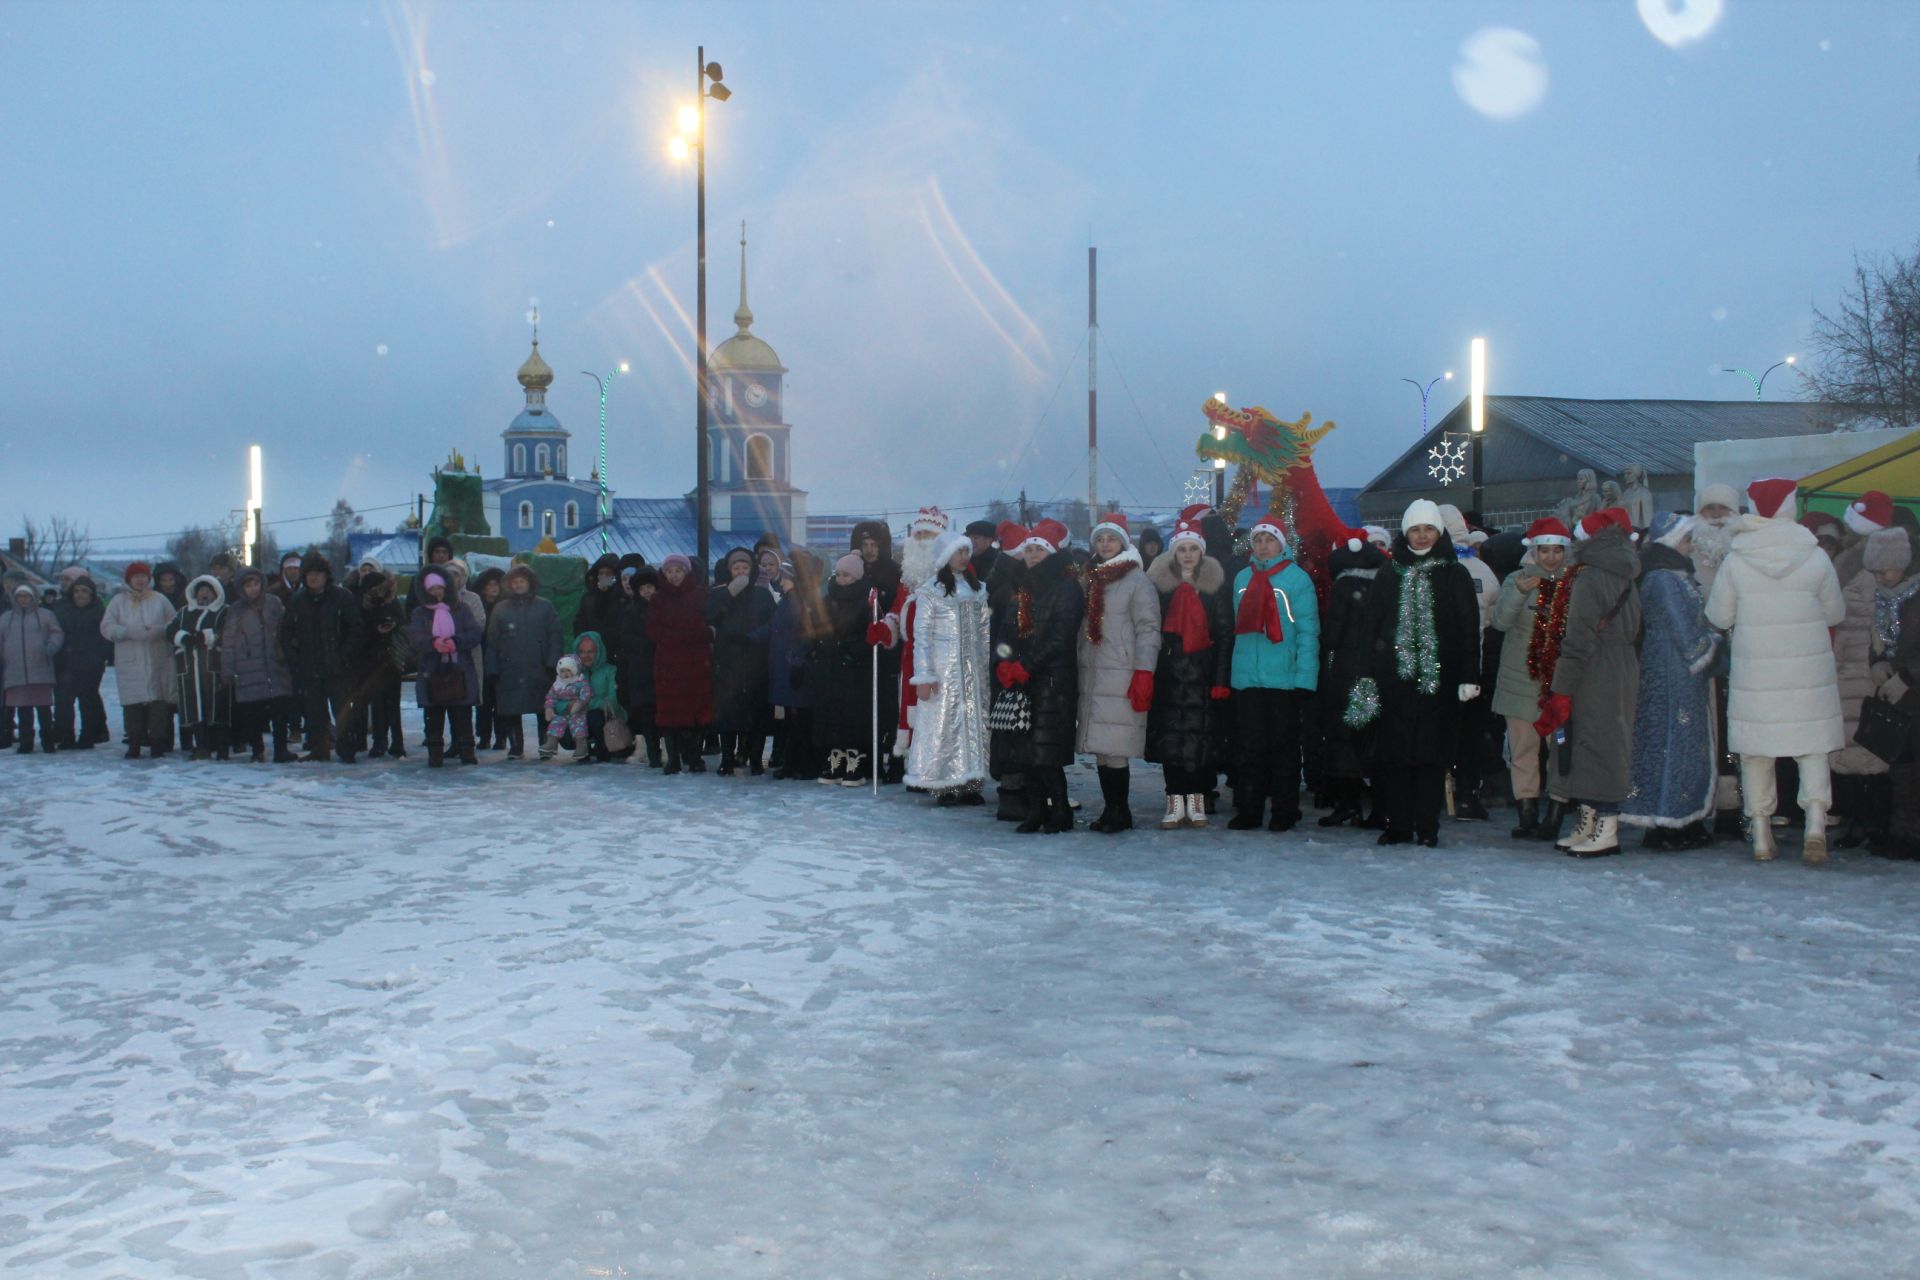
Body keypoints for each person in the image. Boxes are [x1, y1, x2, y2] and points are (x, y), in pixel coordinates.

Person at [1704, 477, 1847, 864]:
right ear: (1790, 507)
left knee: (1755, 753)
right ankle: (1815, 824)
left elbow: (1718, 615)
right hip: (1807, 674)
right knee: (1811, 749)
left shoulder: (1736, 558)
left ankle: (1762, 834)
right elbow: (1836, 612)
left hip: (1757, 674)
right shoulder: (1815, 555)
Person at [1360, 500, 1480, 847]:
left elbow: (1468, 628)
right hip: (1394, 679)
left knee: (1430, 757)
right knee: (1394, 756)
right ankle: (1397, 824)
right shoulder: (1389, 572)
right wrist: (1367, 670)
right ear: (1407, 533)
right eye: (1416, 529)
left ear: (1438, 532)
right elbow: (1372, 625)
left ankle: (1427, 826)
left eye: (1429, 529)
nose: (1423, 535)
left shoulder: (1454, 573)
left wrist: (1469, 675)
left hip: (1440, 680)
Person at [1534, 508, 1643, 856]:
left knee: (1593, 743)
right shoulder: (1626, 574)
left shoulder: (1590, 578)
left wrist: (1561, 688)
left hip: (1593, 667)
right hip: (1621, 663)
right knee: (1604, 740)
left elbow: (1577, 639)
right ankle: (1590, 821)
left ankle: (1605, 827)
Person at [1621, 514, 1722, 848]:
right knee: (1674, 744)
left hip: (1666, 667)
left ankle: (1677, 818)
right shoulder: (1665, 577)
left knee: (1668, 742)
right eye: (1688, 538)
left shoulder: (1666, 573)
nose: (1691, 544)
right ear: (1675, 540)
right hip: (1674, 669)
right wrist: (1711, 643)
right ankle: (1669, 822)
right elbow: (1684, 629)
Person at [1225, 509, 1320, 832]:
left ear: (1282, 544)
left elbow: (1308, 632)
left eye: (1269, 540)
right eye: (1258, 540)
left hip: (1285, 677)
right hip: (1248, 676)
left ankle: (1284, 809)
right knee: (1250, 748)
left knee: (1283, 748)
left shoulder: (1296, 579)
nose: (1263, 546)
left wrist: (1306, 677)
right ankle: (1249, 808)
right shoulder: (1242, 578)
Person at [1073, 513, 1162, 833]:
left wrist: (1143, 669)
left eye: (1111, 538)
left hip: (1121, 671)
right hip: (1094, 672)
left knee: (1115, 748)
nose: (1105, 544)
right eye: (1100, 539)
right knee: (1101, 747)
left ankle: (1119, 810)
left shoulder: (1136, 580)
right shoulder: (1091, 578)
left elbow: (1149, 628)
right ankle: (1111, 810)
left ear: (1123, 542)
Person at [1145, 519, 1235, 829]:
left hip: (1202, 672)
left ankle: (1196, 800)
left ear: (1201, 553)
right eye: (1181, 549)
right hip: (1169, 672)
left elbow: (1225, 633)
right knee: (1171, 740)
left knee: (1199, 739)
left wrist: (1221, 678)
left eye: (1192, 549)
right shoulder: (1159, 586)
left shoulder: (1215, 585)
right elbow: (1150, 628)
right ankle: (1174, 800)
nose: (1187, 555)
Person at [1832, 527, 1917, 849]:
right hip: (1896, 693)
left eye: (1886, 570)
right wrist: (1877, 662)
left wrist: (1907, 676)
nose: (1880, 578)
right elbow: (1879, 639)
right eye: (1876, 571)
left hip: (1912, 689)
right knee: (1901, 765)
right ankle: (1902, 833)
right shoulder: (1885, 596)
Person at [1490, 518, 1574, 839]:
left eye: (1557, 550)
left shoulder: (1574, 581)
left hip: (1558, 681)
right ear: (1533, 551)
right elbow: (1499, 622)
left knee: (1559, 750)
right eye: (1544, 550)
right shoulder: (1517, 579)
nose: (1551, 557)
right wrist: (1518, 595)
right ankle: (1527, 812)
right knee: (1523, 749)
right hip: (1519, 678)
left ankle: (1555, 812)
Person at [1001, 520, 1083, 833]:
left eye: (1039, 549)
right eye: (1029, 549)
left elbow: (1061, 636)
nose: (1033, 555)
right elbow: (1007, 630)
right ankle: (1035, 810)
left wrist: (1028, 664)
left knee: (1046, 751)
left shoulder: (1066, 586)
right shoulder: (1020, 585)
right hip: (1023, 679)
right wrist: (1004, 661)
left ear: (1051, 553)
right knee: (1026, 752)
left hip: (1052, 679)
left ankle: (1060, 810)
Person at [904, 531, 993, 803]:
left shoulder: (978, 589)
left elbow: (984, 631)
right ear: (945, 557)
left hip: (973, 672)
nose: (964, 557)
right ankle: (945, 783)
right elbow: (923, 637)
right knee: (944, 725)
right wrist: (925, 675)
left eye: (966, 552)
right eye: (958, 552)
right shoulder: (931, 591)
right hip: (944, 671)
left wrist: (987, 667)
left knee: (972, 723)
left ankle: (970, 781)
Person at [1315, 528, 1386, 828]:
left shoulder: (1344, 586)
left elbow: (1333, 633)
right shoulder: (1385, 583)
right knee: (1372, 739)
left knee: (1343, 738)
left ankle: (1348, 803)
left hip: (1345, 669)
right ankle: (1380, 807)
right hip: (1375, 670)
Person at [1441, 505, 1500, 821]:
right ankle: (1466, 793)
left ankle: (1438, 790)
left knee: (1439, 731)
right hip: (1472, 665)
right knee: (1470, 734)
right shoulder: (1483, 570)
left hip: (1438, 666)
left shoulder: (1432, 569)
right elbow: (1492, 617)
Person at [281, 551, 359, 761]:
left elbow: (355, 629)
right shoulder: (297, 600)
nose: (314, 577)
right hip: (309, 665)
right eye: (310, 574)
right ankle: (319, 749)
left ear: (326, 575)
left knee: (341, 709)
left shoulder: (342, 597)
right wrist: (295, 660)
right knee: (315, 712)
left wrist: (344, 654)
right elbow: (286, 633)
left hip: (337, 665)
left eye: (318, 573)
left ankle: (347, 749)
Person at [708, 546, 776, 775]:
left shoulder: (762, 594)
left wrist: (755, 639)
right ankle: (727, 759)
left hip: (755, 662)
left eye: (745, 567)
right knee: (727, 715)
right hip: (728, 663)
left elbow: (772, 622)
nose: (740, 571)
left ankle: (755, 758)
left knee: (756, 716)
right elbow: (708, 615)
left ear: (752, 570)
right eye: (736, 568)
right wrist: (728, 593)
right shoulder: (720, 593)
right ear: (729, 570)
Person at [486, 564, 564, 759]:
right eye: (515, 581)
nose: (519, 585)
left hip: (539, 667)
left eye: (522, 581)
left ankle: (545, 745)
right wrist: (493, 668)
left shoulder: (544, 606)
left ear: (530, 583)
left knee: (543, 710)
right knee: (511, 710)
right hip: (509, 669)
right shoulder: (501, 609)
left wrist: (552, 663)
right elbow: (492, 641)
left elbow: (555, 636)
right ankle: (516, 746)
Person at [100, 561, 176, 758]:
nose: (140, 580)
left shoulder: (160, 599)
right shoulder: (118, 601)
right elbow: (106, 627)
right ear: (129, 580)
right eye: (136, 577)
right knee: (133, 706)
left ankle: (157, 744)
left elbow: (174, 623)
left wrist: (159, 631)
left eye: (143, 576)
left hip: (157, 658)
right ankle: (134, 743)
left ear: (149, 579)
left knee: (157, 705)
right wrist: (126, 632)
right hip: (129, 661)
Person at [221, 568, 297, 762]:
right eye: (248, 585)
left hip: (275, 664)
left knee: (280, 711)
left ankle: (281, 750)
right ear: (241, 588)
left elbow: (287, 630)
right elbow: (228, 641)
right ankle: (257, 750)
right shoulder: (236, 610)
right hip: (248, 669)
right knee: (253, 714)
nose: (253, 589)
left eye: (256, 584)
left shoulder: (274, 603)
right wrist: (228, 670)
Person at [647, 554, 715, 774]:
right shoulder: (658, 599)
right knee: (669, 713)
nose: (674, 575)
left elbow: (709, 625)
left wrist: (696, 635)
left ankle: (695, 757)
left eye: (678, 570)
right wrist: (677, 636)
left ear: (687, 572)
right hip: (668, 664)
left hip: (696, 662)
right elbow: (652, 629)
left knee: (697, 711)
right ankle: (673, 758)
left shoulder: (702, 595)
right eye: (669, 571)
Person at [985, 523, 1034, 821]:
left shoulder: (1000, 580)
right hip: (1011, 669)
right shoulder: (1012, 588)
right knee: (1015, 730)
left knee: (1010, 729)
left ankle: (1014, 792)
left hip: (1005, 667)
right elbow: (1008, 633)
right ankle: (1014, 795)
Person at [408, 570, 482, 766]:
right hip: (432, 671)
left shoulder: (461, 608)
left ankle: (467, 752)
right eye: (432, 589)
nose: (436, 592)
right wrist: (433, 643)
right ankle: (435, 755)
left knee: (462, 715)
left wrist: (456, 641)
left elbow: (474, 633)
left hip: (459, 669)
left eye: (439, 587)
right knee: (434, 716)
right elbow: (415, 637)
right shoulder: (420, 613)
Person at [342, 570, 409, 758]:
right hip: (373, 657)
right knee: (379, 702)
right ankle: (383, 741)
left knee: (388, 703)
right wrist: (377, 629)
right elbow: (358, 629)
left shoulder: (379, 602)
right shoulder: (364, 603)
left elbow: (401, 624)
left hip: (388, 657)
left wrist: (392, 625)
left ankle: (390, 741)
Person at [766, 555, 819, 779]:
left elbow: (807, 636)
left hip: (796, 669)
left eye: (786, 577)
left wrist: (797, 661)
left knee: (799, 719)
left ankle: (802, 764)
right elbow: (773, 628)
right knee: (790, 718)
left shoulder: (801, 603)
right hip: (786, 667)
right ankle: (792, 763)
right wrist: (749, 638)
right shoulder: (787, 601)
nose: (781, 580)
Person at [170, 574, 232, 760]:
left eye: (208, 590)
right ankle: (202, 745)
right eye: (201, 590)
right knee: (194, 707)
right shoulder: (184, 612)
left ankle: (221, 747)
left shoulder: (223, 611)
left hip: (214, 666)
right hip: (189, 668)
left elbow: (227, 631)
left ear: (216, 593)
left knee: (217, 706)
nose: (204, 594)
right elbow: (170, 630)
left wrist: (206, 637)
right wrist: (183, 638)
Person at [50, 574, 110, 750]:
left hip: (91, 664)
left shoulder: (99, 611)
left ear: (91, 594)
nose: (80, 594)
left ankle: (88, 736)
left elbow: (106, 639)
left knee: (88, 700)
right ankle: (66, 736)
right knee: (63, 701)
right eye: (76, 591)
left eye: (84, 591)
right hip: (64, 663)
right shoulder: (62, 609)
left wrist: (100, 657)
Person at [2, 581, 63, 752]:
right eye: (20, 596)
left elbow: (56, 633)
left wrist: (52, 646)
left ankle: (48, 741)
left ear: (33, 597)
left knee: (44, 709)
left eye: (26, 595)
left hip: (40, 669)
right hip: (15, 671)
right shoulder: (6, 618)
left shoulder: (45, 615)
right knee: (23, 710)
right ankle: (26, 742)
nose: (23, 599)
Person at [616, 564, 662, 766]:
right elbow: (626, 637)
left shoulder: (663, 608)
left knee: (661, 710)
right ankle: (649, 750)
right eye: (642, 588)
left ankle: (664, 748)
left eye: (650, 587)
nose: (646, 591)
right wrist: (646, 644)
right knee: (644, 711)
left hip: (661, 666)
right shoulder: (630, 611)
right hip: (639, 668)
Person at [471, 567, 506, 747]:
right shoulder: (478, 607)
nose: (493, 588)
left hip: (501, 660)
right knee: (483, 701)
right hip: (482, 658)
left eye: (496, 584)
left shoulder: (505, 607)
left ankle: (501, 737)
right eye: (489, 585)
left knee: (501, 701)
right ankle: (484, 736)